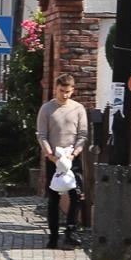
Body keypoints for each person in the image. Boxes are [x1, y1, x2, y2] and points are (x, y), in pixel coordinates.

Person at [36, 73, 88, 249]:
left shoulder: (78, 108)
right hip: (54, 158)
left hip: (72, 158)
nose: (64, 95)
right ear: (56, 89)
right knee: (53, 197)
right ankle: (53, 236)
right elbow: (42, 134)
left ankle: (71, 232)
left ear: (73, 90)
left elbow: (82, 134)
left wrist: (75, 153)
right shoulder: (47, 109)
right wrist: (50, 154)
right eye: (61, 91)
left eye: (67, 91)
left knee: (77, 195)